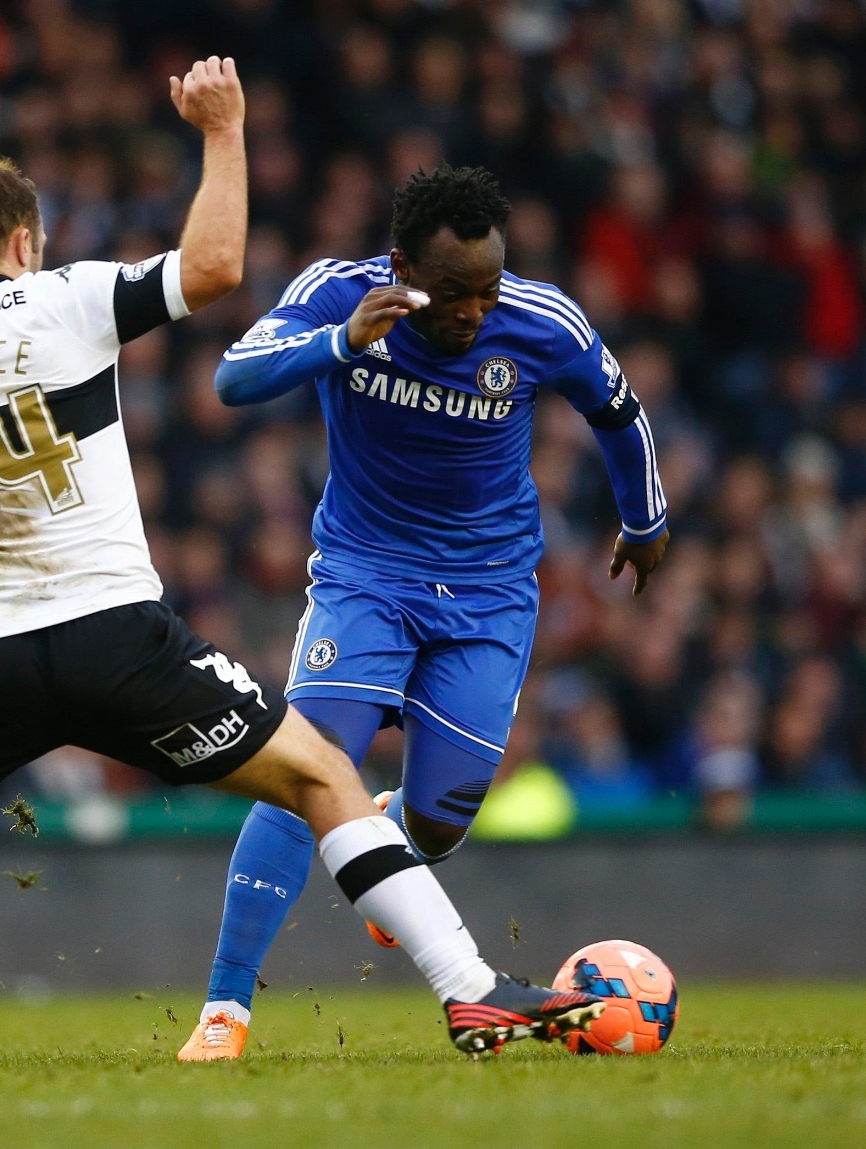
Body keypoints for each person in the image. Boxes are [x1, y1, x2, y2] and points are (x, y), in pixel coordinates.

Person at [0, 61, 601, 1073]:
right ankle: (470, 993)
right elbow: (216, 267)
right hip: (116, 642)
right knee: (325, 778)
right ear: (25, 242)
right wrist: (223, 129)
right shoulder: (64, 298)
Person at [177, 166, 668, 1062]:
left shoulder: (541, 319)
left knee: (443, 820)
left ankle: (396, 834)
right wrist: (338, 343)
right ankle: (225, 1009)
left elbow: (619, 411)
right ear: (401, 264)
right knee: (305, 771)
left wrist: (646, 520)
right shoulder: (336, 293)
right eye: (452, 293)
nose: (474, 313)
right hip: (365, 577)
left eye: (486, 290)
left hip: (488, 593)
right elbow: (231, 378)